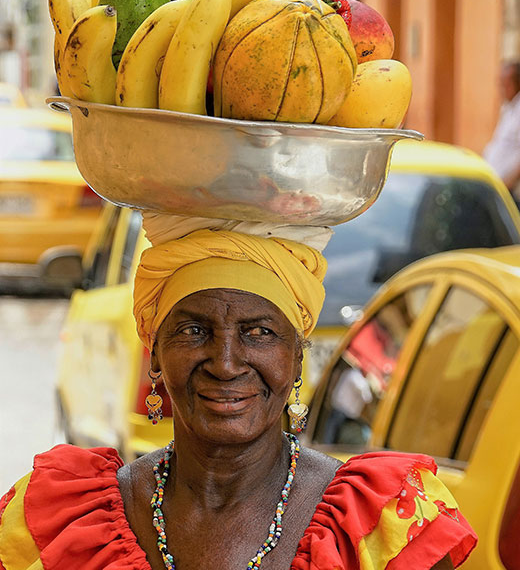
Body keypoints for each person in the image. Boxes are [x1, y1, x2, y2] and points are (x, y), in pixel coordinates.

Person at [0, 217, 477, 569]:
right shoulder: (60, 523)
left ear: (296, 359)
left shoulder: (380, 528)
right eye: (192, 330)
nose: (226, 363)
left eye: (259, 333)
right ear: (156, 359)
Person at [483, 61, 520, 204]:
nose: (502, 89)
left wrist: (505, 185)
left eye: (506, 84)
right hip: (494, 182)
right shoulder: (508, 107)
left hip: (505, 188)